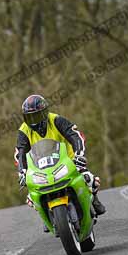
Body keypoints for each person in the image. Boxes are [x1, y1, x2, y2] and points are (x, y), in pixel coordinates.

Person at [15, 94, 106, 232]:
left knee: (90, 179)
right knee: (31, 197)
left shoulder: (56, 120)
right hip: (41, 168)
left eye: (37, 116)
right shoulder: (24, 131)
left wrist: (79, 155)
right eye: (30, 118)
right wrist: (22, 172)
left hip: (68, 161)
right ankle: (46, 214)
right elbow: (20, 153)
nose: (34, 121)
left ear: (45, 112)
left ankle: (94, 200)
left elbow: (76, 136)